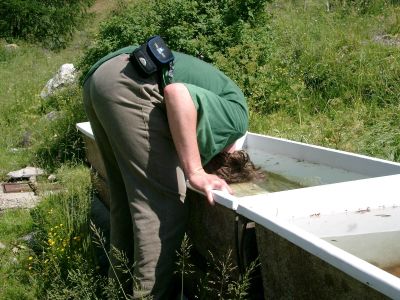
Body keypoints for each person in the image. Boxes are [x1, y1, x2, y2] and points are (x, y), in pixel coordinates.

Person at [82, 36, 250, 299]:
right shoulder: (238, 117)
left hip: (102, 78)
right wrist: (195, 171)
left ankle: (117, 291)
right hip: (131, 82)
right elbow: (177, 94)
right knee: (163, 207)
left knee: (127, 202)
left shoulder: (221, 98)